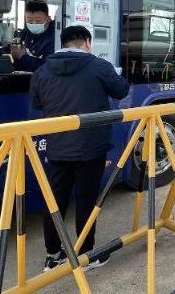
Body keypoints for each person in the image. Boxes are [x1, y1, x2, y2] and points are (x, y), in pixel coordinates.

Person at [29, 25, 130, 271]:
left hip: (57, 147)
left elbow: (37, 103)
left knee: (55, 201)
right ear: (87, 43)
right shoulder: (99, 66)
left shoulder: (42, 71)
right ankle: (86, 255)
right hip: (91, 148)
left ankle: (53, 256)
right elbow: (121, 90)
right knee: (86, 200)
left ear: (63, 44)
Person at [11, 0, 55, 71]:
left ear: (48, 19)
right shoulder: (25, 33)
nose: (34, 24)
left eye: (38, 21)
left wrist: (22, 57)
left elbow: (48, 66)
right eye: (30, 21)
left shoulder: (55, 38)